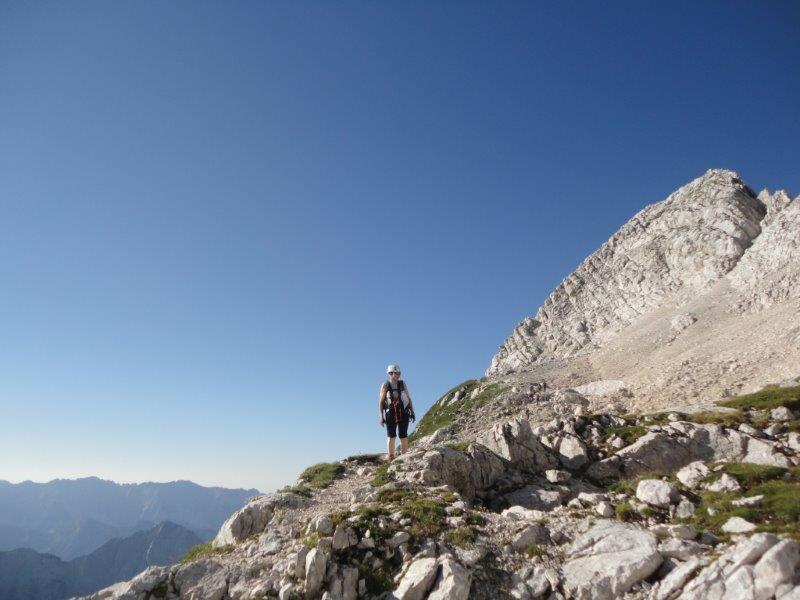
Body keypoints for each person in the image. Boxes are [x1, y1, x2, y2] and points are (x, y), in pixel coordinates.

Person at [379, 364, 415, 462]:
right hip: (390, 413)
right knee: (391, 436)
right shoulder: (385, 385)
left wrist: (412, 411)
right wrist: (381, 416)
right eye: (396, 373)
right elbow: (381, 402)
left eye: (399, 373)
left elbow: (408, 398)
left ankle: (404, 458)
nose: (398, 375)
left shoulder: (402, 384)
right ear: (390, 373)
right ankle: (391, 458)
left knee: (403, 435)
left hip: (403, 412)